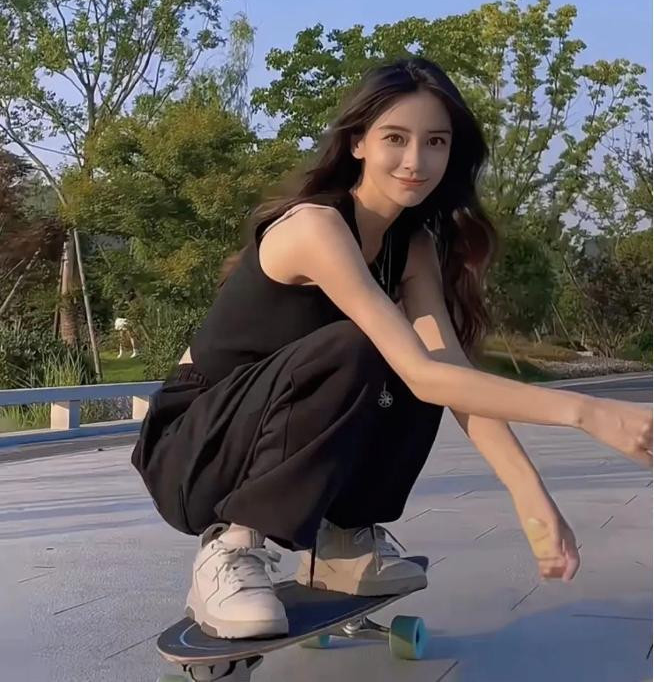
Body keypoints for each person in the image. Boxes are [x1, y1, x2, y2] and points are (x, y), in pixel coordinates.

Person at [131, 57, 653, 641]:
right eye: (395, 139)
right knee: (370, 348)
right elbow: (420, 370)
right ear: (358, 142)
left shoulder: (413, 246)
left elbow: (447, 374)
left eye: (435, 142)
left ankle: (344, 543)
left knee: (418, 365)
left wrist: (530, 496)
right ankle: (230, 548)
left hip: (257, 432)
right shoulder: (314, 227)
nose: (415, 161)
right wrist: (588, 412)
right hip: (194, 451)